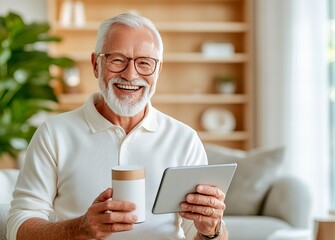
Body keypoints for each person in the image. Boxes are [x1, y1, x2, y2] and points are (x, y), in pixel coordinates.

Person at [7, 13, 228, 240]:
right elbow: (19, 225)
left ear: (158, 70)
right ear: (96, 65)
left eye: (144, 63)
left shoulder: (184, 139)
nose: (130, 75)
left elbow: (200, 233)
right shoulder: (54, 134)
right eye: (117, 60)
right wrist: (78, 229)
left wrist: (213, 230)